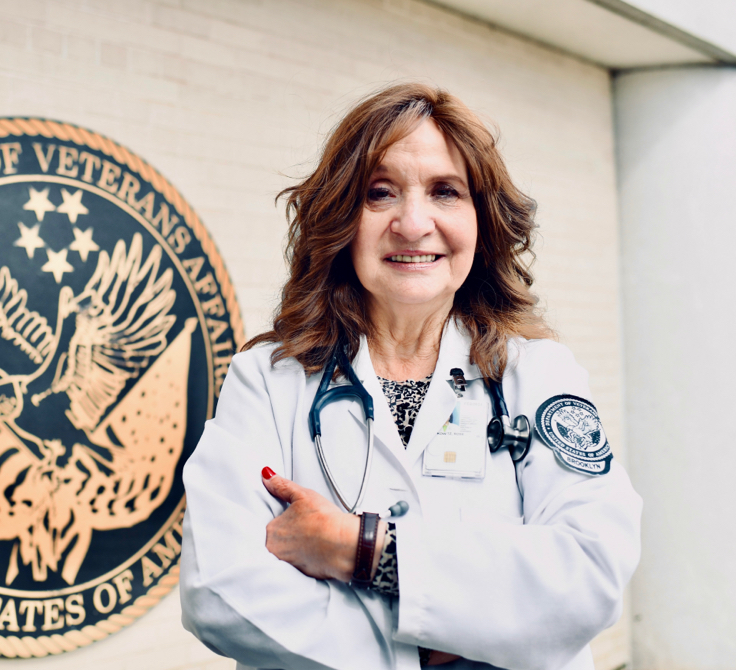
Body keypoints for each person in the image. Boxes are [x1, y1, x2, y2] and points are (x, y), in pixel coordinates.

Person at [179, 83, 642, 670]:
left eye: (445, 192)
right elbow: (218, 590)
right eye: (380, 193)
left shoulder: (539, 376)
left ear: (483, 221)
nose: (413, 222)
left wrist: (361, 551)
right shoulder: (267, 382)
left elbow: (589, 577)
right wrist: (435, 640)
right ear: (341, 218)